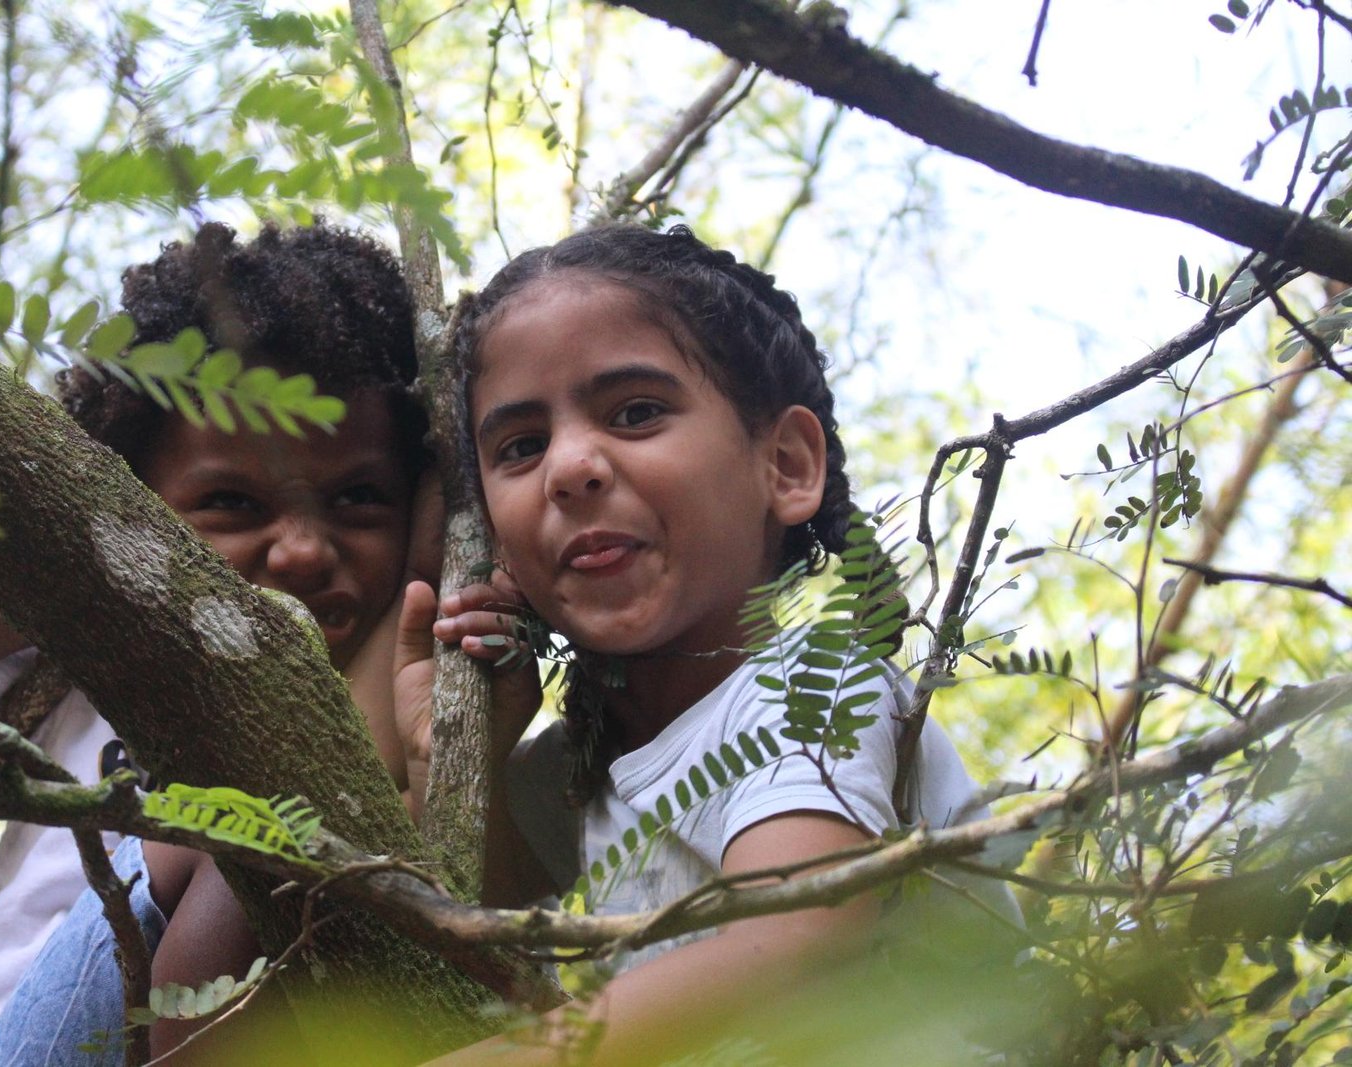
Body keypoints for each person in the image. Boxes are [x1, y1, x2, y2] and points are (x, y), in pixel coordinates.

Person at [0, 219, 428, 1067]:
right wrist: (52, 577)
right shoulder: (83, 658)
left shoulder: (428, 715)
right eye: (232, 503)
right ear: (136, 505)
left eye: (360, 497)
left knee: (268, 821)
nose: (299, 549)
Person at [393, 222, 1001, 1064]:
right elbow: (465, 938)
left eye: (636, 412)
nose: (571, 466)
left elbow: (790, 933)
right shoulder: (570, 771)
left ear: (785, 465)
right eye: (521, 446)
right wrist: (453, 754)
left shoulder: (813, 691)